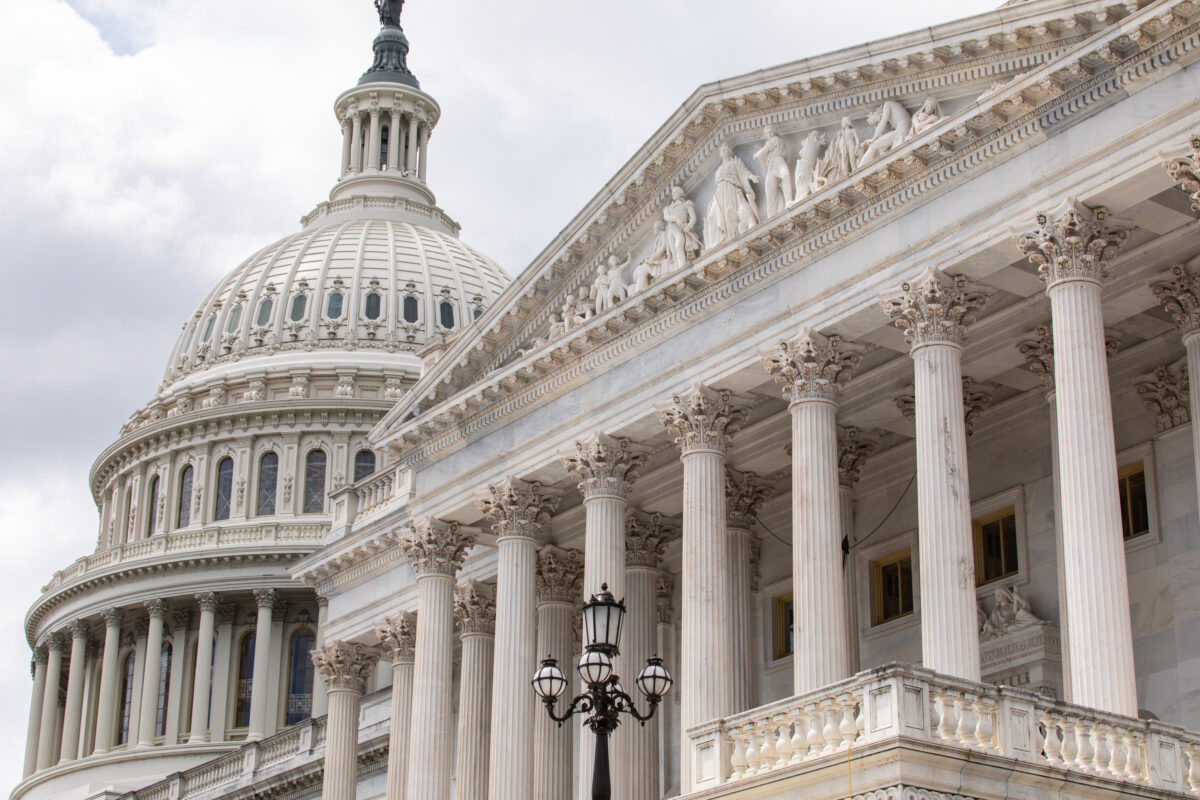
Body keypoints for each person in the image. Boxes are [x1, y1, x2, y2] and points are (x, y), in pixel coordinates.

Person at [704, 143, 760, 249]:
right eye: (722, 150)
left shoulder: (735, 162)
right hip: (720, 193)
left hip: (732, 189)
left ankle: (733, 235)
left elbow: (744, 172)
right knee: (713, 214)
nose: (723, 151)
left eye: (726, 149)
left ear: (729, 151)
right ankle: (726, 238)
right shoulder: (719, 169)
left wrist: (751, 177)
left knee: (731, 211)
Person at [754, 125, 794, 216]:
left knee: (785, 175)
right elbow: (766, 165)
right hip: (771, 167)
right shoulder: (769, 144)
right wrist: (761, 157)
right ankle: (771, 215)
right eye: (766, 133)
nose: (768, 134)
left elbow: (766, 149)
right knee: (770, 191)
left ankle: (788, 200)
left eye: (770, 132)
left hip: (778, 161)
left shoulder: (776, 140)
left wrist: (758, 154)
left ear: (775, 132)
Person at [663, 186, 701, 272]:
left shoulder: (687, 204)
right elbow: (666, 217)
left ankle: (682, 267)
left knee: (678, 245)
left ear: (680, 193)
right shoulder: (668, 208)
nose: (673, 195)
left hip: (681, 229)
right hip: (671, 229)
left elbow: (693, 218)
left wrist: (689, 226)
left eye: (675, 192)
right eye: (672, 193)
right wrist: (675, 219)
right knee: (673, 251)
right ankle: (678, 268)